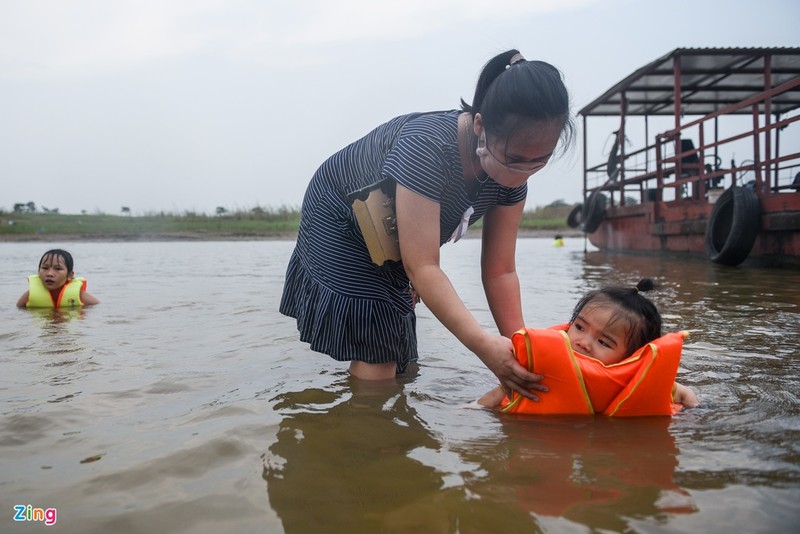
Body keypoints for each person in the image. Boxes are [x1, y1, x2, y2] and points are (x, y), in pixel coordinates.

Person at [280, 49, 573, 399]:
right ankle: (361, 438)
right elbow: (422, 266)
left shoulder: (513, 179)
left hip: (392, 229)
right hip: (343, 216)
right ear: (480, 125)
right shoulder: (426, 146)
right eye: (513, 158)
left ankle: (385, 414)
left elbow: (500, 272)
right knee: (379, 347)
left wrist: (522, 351)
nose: (522, 173)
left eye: (539, 160)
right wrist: (482, 346)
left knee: (401, 356)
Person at [478, 278, 699, 412]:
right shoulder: (541, 369)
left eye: (603, 342)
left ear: (634, 355)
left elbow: (685, 394)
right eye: (580, 328)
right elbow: (497, 395)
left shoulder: (638, 378)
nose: (583, 343)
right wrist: (471, 410)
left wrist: (694, 415)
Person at [17, 249, 100, 308]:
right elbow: (18, 310)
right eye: (45, 268)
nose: (49, 274)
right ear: (38, 272)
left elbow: (98, 307)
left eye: (58, 269)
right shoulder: (30, 295)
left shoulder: (79, 295)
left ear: (70, 275)